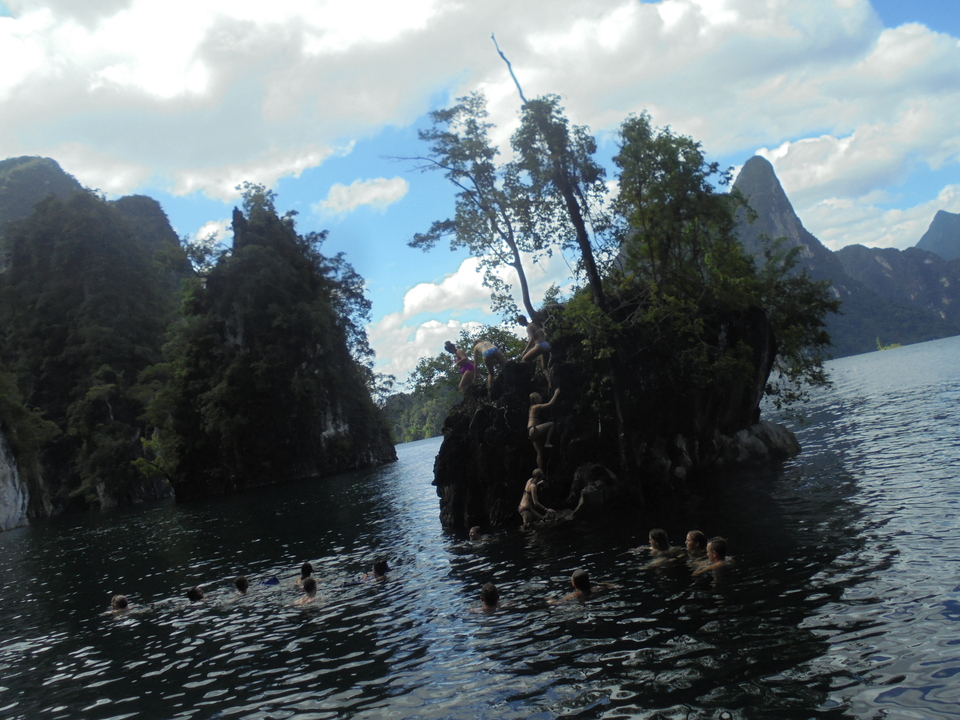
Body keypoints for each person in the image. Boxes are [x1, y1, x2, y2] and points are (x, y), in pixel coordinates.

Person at [528, 388, 560, 471]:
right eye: (539, 397)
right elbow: (550, 404)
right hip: (533, 429)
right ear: (535, 400)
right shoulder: (535, 407)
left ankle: (540, 471)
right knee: (552, 424)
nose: (541, 397)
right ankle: (547, 442)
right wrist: (556, 393)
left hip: (531, 431)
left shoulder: (531, 407)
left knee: (539, 453)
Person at [517, 314, 551, 385]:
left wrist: (525, 350)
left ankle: (531, 377)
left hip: (540, 345)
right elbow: (540, 335)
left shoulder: (528, 327)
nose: (520, 324)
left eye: (519, 322)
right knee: (544, 367)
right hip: (546, 344)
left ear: (522, 320)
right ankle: (551, 383)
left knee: (525, 359)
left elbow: (532, 338)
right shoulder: (533, 324)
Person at [550, 569, 618, 604]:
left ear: (574, 584)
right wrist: (605, 583)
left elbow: (558, 603)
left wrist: (550, 600)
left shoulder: (574, 595)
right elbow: (611, 586)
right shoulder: (597, 588)